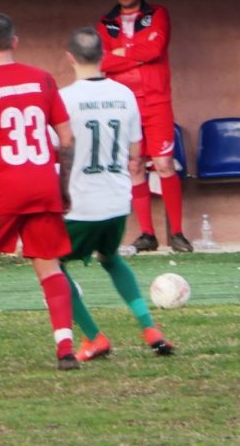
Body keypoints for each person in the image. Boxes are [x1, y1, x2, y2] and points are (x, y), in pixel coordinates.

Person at [0, 12, 79, 373]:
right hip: (42, 183)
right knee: (48, 264)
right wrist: (63, 188)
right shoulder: (42, 79)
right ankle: (66, 350)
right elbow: (67, 139)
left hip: (2, 187)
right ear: (14, 41)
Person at [59, 27, 175, 361]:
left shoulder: (64, 98)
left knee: (50, 265)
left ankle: (93, 337)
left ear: (70, 58)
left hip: (80, 203)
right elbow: (135, 152)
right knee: (109, 257)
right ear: (102, 56)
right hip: (117, 201)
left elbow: (60, 148)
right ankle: (149, 327)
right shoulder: (124, 94)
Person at [97, 0, 193, 253]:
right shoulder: (106, 22)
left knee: (164, 165)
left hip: (156, 102)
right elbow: (102, 62)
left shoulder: (158, 13)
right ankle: (147, 235)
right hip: (124, 105)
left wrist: (121, 54)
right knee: (134, 166)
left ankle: (176, 233)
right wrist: (134, 55)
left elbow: (155, 49)